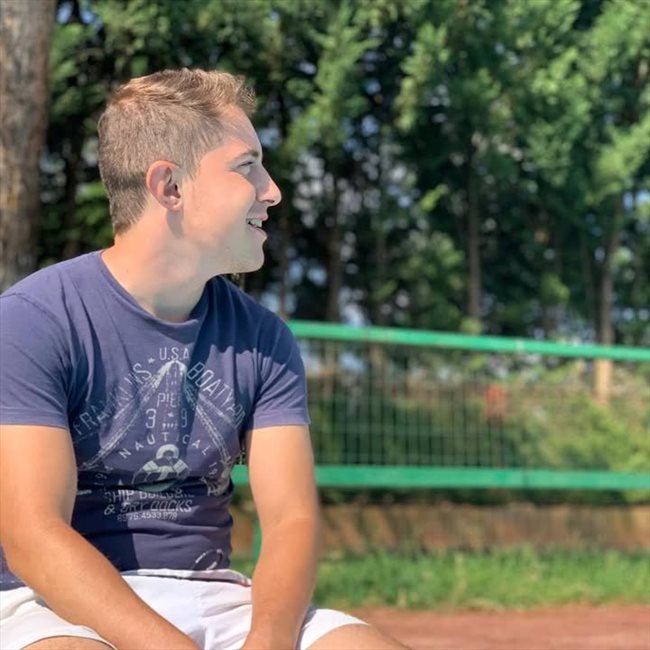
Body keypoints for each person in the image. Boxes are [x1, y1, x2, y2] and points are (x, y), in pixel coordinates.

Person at [0, 69, 406, 650]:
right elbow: (33, 536)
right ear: (169, 186)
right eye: (248, 166)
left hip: (212, 595)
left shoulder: (264, 337)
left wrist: (268, 642)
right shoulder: (32, 320)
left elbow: (290, 520)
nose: (273, 190)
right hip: (53, 605)